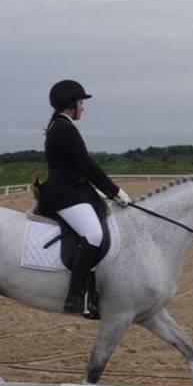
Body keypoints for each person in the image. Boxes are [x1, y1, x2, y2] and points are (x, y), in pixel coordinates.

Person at [38, 79, 131, 318]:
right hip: (64, 195)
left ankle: (93, 292)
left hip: (72, 190)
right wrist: (114, 191)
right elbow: (86, 165)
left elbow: (77, 168)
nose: (83, 107)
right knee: (93, 235)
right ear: (71, 104)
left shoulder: (60, 126)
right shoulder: (64, 128)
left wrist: (100, 192)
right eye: (81, 102)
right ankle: (75, 296)